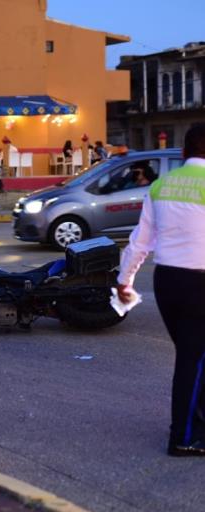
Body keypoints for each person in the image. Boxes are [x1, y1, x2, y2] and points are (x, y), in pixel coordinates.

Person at [117, 124, 205, 457]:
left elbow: (141, 241)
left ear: (183, 153)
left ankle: (196, 425)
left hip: (167, 281)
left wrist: (125, 279)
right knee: (192, 359)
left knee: (195, 357)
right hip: (200, 282)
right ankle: (182, 436)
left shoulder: (160, 186)